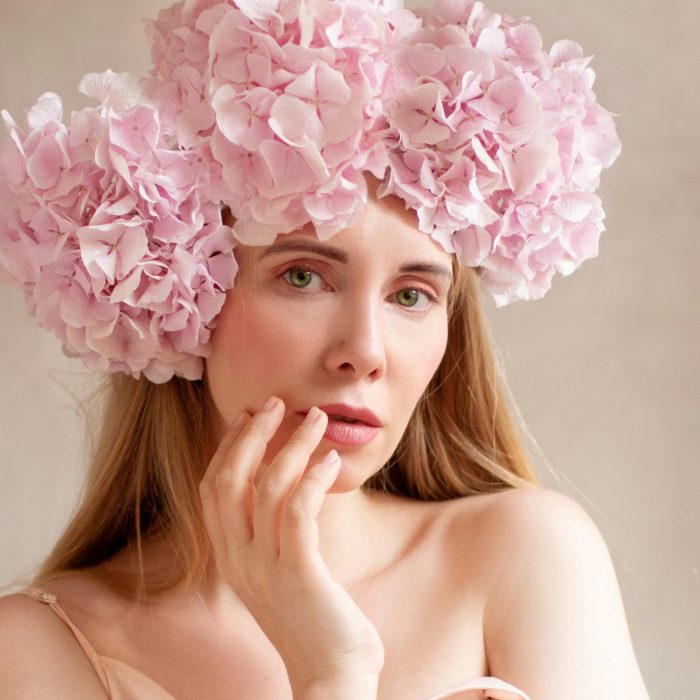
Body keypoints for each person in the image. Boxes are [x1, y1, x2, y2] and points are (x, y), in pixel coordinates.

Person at [0, 0, 650, 698]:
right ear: (178, 297)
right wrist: (330, 674)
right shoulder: (38, 646)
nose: (365, 352)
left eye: (411, 296)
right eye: (303, 277)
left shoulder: (526, 553)